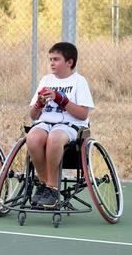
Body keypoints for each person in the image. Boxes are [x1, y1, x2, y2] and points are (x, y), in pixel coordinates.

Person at [26, 42, 94, 209]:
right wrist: (39, 104)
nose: (52, 63)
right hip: (45, 122)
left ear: (69, 62)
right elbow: (33, 115)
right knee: (33, 138)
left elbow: (83, 114)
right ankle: (44, 185)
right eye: (50, 59)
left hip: (69, 125)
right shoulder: (46, 80)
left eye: (56, 59)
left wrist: (60, 99)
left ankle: (52, 187)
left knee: (55, 138)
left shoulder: (79, 81)